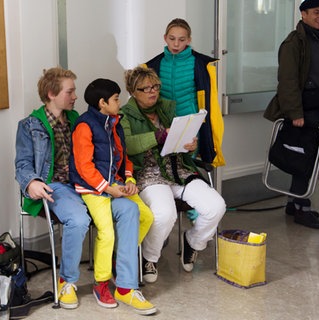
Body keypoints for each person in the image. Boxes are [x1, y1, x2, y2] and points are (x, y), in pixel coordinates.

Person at [119, 66, 226, 284]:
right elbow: (127, 145)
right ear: (133, 91)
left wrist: (190, 145)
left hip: (178, 169)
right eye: (145, 88)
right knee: (164, 214)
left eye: (155, 86)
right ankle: (149, 257)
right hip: (149, 173)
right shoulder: (124, 115)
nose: (152, 92)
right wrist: (158, 135)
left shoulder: (167, 109)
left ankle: (193, 242)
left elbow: (182, 139)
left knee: (216, 206)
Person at [68, 78, 156, 315]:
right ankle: (102, 283)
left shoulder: (115, 122)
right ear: (102, 103)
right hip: (92, 188)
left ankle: (120, 261)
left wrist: (128, 180)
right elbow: (84, 167)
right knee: (106, 231)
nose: (120, 102)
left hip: (116, 184)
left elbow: (123, 157)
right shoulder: (84, 126)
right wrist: (108, 188)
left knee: (145, 216)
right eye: (116, 99)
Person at [15, 67, 91, 309]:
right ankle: (67, 282)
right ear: (51, 94)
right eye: (70, 91)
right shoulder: (30, 125)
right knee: (78, 220)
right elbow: (22, 164)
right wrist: (32, 182)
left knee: (123, 208)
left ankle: (112, 278)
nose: (75, 96)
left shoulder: (76, 119)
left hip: (82, 182)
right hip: (55, 186)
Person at [264, 0, 319, 230]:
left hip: (317, 108)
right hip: (303, 111)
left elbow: (317, 72)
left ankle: (293, 204)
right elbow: (288, 80)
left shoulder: (317, 38)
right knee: (305, 160)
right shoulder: (294, 42)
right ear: (303, 14)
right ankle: (302, 210)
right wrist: (295, 113)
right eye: (316, 12)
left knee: (309, 157)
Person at [145, 18, 225, 168]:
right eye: (172, 38)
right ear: (165, 38)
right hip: (163, 124)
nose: (176, 44)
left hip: (190, 123)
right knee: (163, 166)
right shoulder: (153, 65)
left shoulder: (201, 64)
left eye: (181, 40)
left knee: (186, 165)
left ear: (189, 40)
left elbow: (208, 99)